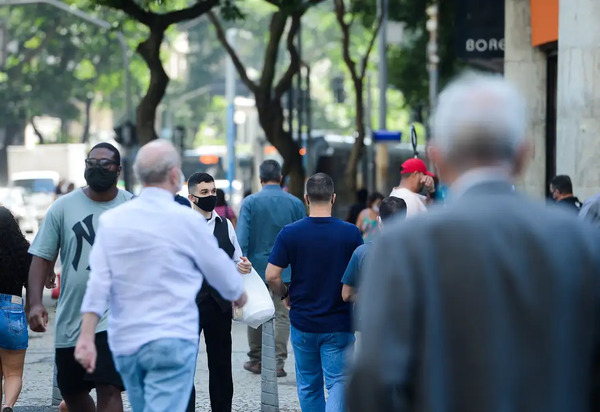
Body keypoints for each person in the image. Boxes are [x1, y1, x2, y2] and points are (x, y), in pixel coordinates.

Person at [347, 73, 600, 412]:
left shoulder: (402, 247)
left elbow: (373, 381)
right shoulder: (580, 240)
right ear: (524, 153)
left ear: (439, 157)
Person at [74, 140, 247, 412]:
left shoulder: (114, 220)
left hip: (128, 340)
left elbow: (99, 283)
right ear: (175, 176)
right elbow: (224, 274)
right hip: (172, 337)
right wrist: (240, 292)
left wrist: (86, 336)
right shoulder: (188, 222)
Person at [28, 142, 131, 412]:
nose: (97, 169)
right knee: (72, 392)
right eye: (91, 164)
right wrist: (35, 303)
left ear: (118, 170)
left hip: (116, 316)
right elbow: (41, 256)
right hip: (72, 315)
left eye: (105, 164)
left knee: (109, 386)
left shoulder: (133, 207)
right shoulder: (62, 208)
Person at [266, 173, 363, 412]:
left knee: (309, 385)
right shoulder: (350, 233)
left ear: (306, 198)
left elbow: (271, 275)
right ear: (333, 198)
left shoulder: (290, 233)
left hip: (303, 321)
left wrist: (284, 292)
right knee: (339, 382)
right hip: (339, 322)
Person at [185, 172, 252, 412]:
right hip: (187, 305)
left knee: (221, 365)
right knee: (184, 366)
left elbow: (236, 258)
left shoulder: (225, 225)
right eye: (205, 193)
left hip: (219, 306)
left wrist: (243, 266)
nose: (211, 196)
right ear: (191, 197)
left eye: (212, 191)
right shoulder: (181, 225)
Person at [237, 160, 306, 377]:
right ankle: (278, 362)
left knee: (255, 311)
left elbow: (242, 239)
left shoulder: (250, 202)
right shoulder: (295, 203)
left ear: (260, 179)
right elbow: (302, 238)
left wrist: (241, 266)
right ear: (281, 177)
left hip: (256, 269)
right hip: (285, 269)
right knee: (283, 314)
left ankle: (256, 359)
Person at [342, 196, 407, 302]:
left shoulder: (361, 252)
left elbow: (346, 294)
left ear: (379, 220)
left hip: (371, 317)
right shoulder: (416, 253)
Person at [0, 207, 32, 412]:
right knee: (13, 373)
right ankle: (8, 405)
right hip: (12, 309)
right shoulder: (23, 253)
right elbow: (32, 286)